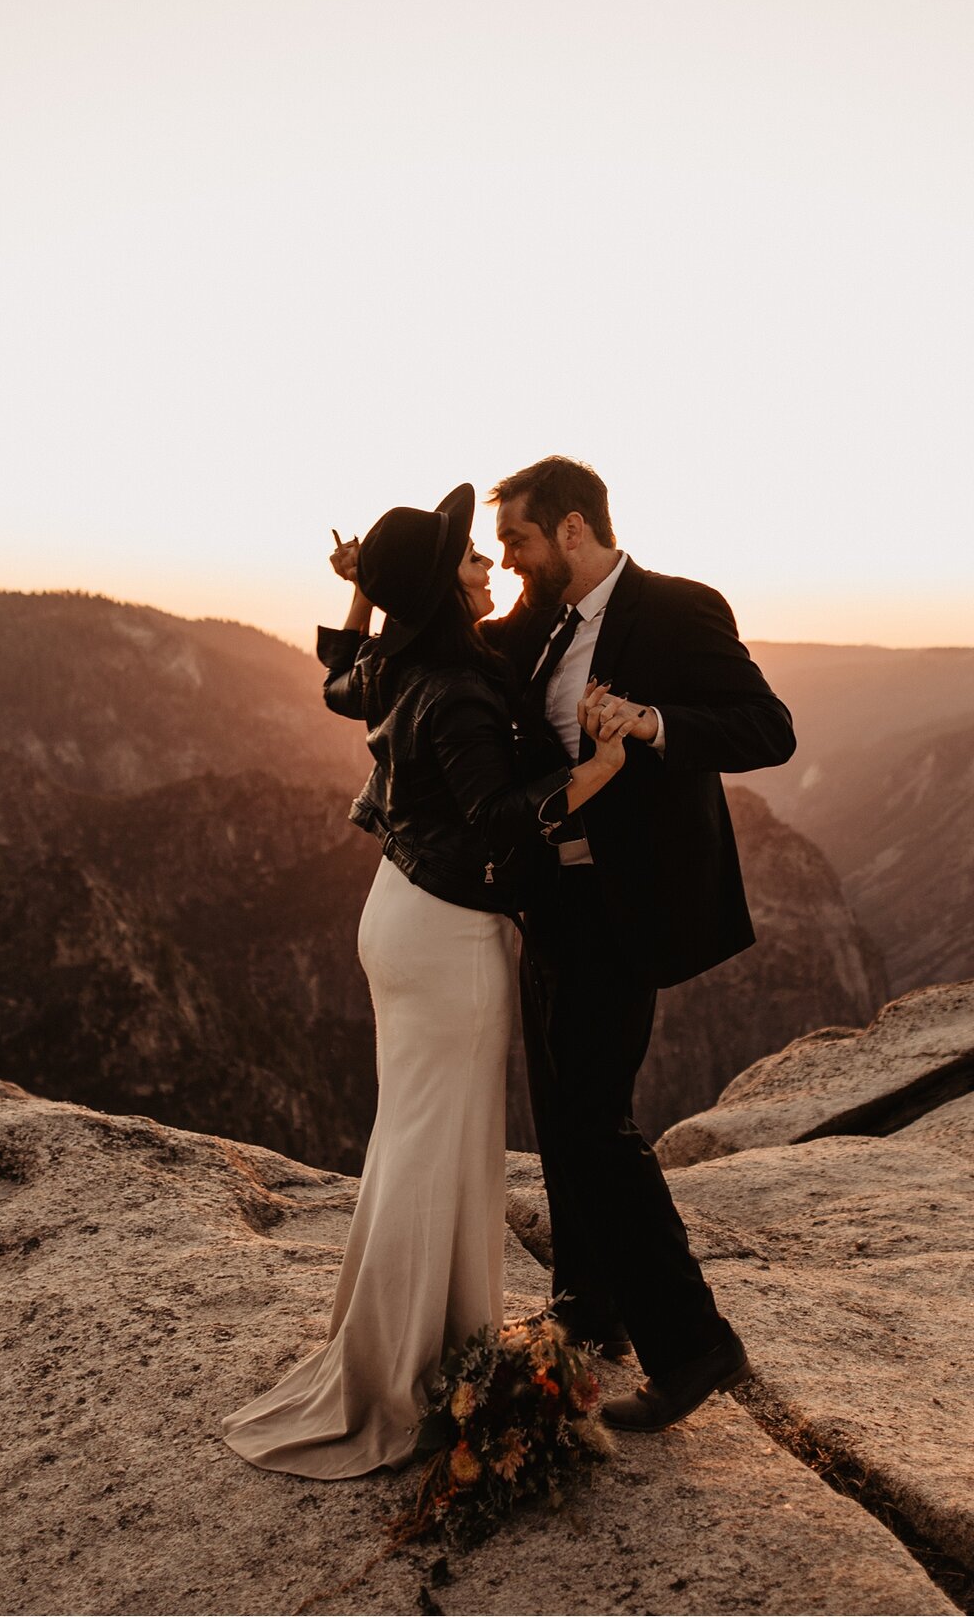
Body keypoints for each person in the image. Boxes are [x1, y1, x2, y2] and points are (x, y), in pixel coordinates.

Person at [222, 482, 638, 1478]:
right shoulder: (452, 686)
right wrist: (596, 771)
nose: (487, 566)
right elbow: (500, 820)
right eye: (466, 558)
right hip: (447, 933)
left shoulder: (406, 660)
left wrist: (364, 591)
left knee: (417, 1137)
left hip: (400, 912)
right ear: (442, 592)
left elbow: (335, 681)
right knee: (436, 1144)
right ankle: (408, 1366)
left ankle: (412, 1344)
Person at [482, 454, 795, 1433]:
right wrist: (371, 596)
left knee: (592, 1119)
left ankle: (693, 1340)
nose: (510, 561)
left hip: (629, 907)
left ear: (573, 529)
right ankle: (589, 1303)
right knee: (558, 1104)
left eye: (520, 541)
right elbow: (440, 657)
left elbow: (767, 729)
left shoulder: (680, 608)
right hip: (551, 902)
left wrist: (653, 724)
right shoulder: (531, 626)